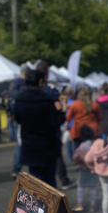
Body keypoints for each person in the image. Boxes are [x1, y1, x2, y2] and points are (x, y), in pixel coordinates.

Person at [14, 69, 65, 187]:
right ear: (41, 81)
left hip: (29, 145)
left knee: (36, 181)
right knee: (50, 181)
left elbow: (18, 119)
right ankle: (51, 205)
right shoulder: (47, 100)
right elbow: (55, 122)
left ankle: (39, 206)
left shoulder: (20, 99)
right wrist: (62, 112)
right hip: (47, 146)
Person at [36, 61, 75, 190]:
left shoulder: (30, 90)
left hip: (36, 133)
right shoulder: (51, 90)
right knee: (57, 159)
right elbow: (58, 110)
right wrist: (64, 110)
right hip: (52, 132)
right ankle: (63, 181)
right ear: (47, 74)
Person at [84, 118, 108, 213]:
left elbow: (87, 158)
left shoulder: (97, 143)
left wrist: (93, 168)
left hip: (101, 174)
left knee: (106, 196)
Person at [8, 63, 29, 179]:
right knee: (27, 142)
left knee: (19, 144)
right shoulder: (26, 85)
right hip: (26, 117)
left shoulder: (13, 84)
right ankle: (32, 168)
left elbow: (9, 99)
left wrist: (10, 114)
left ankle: (16, 169)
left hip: (16, 116)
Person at [72, 125, 98, 212]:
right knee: (92, 187)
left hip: (83, 169)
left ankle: (79, 204)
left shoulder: (82, 145)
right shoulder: (95, 143)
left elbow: (76, 158)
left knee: (81, 186)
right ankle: (92, 206)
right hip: (94, 170)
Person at [64, 87, 76, 161]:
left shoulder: (63, 103)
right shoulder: (74, 103)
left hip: (65, 124)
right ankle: (75, 156)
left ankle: (70, 157)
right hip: (73, 124)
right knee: (74, 141)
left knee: (68, 142)